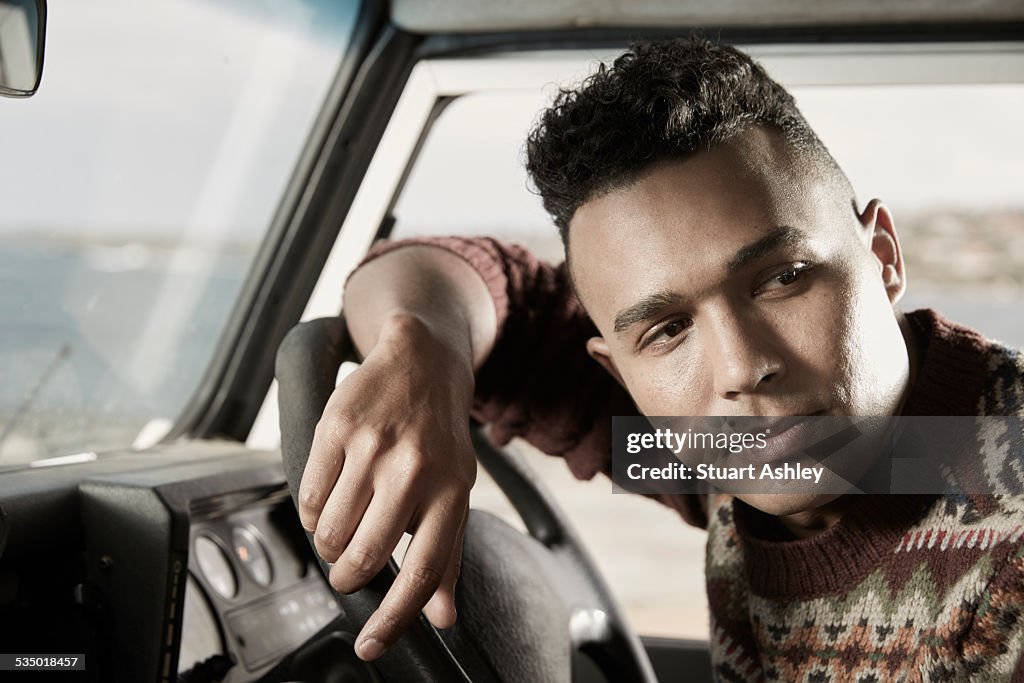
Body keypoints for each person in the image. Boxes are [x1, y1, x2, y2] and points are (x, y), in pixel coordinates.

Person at [297, 38, 1024, 679]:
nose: (741, 368)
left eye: (783, 278)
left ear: (884, 258)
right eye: (668, 329)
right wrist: (418, 352)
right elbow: (480, 288)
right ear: (620, 377)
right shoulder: (716, 452)